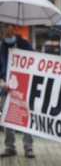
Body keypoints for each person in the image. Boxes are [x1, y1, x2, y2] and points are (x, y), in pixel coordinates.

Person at [0, 24, 35, 158]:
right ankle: (10, 147)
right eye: (7, 35)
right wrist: (1, 82)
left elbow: (36, 60)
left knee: (26, 117)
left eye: (11, 34)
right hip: (6, 90)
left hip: (23, 88)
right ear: (2, 36)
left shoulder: (23, 44)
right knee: (8, 119)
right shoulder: (1, 48)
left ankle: (28, 147)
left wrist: (21, 54)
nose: (10, 37)